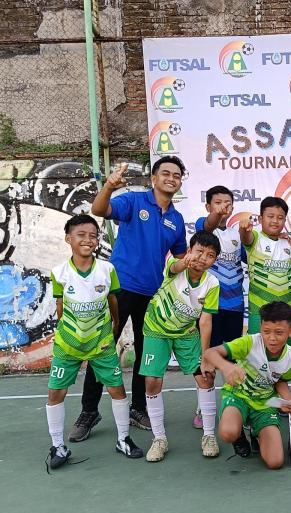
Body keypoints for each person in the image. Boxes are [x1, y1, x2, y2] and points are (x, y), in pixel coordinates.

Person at [69, 157, 188, 441]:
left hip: (152, 294)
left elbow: (181, 257)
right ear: (154, 178)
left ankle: (138, 408)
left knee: (146, 355)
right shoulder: (134, 202)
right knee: (102, 349)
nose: (171, 178)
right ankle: (89, 411)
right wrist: (109, 186)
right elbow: (100, 209)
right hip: (119, 289)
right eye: (166, 173)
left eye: (177, 175)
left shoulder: (176, 219)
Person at [46, 215, 143, 469]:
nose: (88, 239)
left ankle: (123, 439)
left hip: (101, 343)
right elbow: (60, 306)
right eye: (81, 234)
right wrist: (69, 330)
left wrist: (114, 325)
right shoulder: (59, 273)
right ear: (68, 238)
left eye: (93, 235)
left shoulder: (107, 270)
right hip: (68, 344)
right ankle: (58, 446)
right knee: (56, 392)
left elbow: (113, 302)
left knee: (117, 390)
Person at [140, 231, 221, 462]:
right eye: (199, 251)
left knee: (205, 377)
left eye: (210, 255)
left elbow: (205, 320)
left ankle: (208, 436)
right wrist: (182, 262)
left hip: (186, 334)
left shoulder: (213, 284)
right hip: (156, 330)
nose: (203, 258)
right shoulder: (175, 266)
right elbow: (174, 267)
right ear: (190, 251)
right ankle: (159, 439)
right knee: (152, 381)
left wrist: (206, 356)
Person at [204, 302, 291, 470]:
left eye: (279, 333)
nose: (272, 338)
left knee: (275, 462)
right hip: (238, 395)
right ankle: (239, 434)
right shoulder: (249, 343)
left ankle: (257, 433)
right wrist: (227, 367)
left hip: (265, 403)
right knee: (228, 432)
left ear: (290, 332)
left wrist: (288, 400)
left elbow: (281, 381)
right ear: (260, 327)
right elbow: (210, 353)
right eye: (266, 331)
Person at [192, 185, 245, 430]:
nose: (224, 207)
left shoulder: (236, 235)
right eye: (218, 203)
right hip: (209, 309)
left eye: (228, 202)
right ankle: (204, 408)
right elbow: (209, 225)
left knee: (232, 360)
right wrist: (216, 215)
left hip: (235, 307)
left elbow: (251, 251)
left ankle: (232, 405)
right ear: (208, 207)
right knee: (209, 359)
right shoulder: (205, 229)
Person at [239, 196, 291, 335]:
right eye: (270, 216)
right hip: (260, 309)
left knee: (286, 353)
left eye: (280, 217)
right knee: (258, 352)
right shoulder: (255, 238)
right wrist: (244, 228)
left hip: (287, 310)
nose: (275, 221)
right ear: (260, 219)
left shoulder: (287, 243)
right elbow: (245, 237)